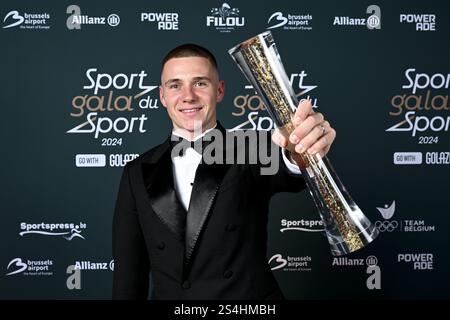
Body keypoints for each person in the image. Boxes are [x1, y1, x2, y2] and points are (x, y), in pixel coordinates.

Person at [112, 44, 336, 300]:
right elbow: (128, 276)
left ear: (219, 91)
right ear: (162, 96)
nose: (188, 96)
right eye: (175, 85)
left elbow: (289, 167)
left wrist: (302, 148)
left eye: (200, 83)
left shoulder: (252, 149)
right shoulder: (137, 172)